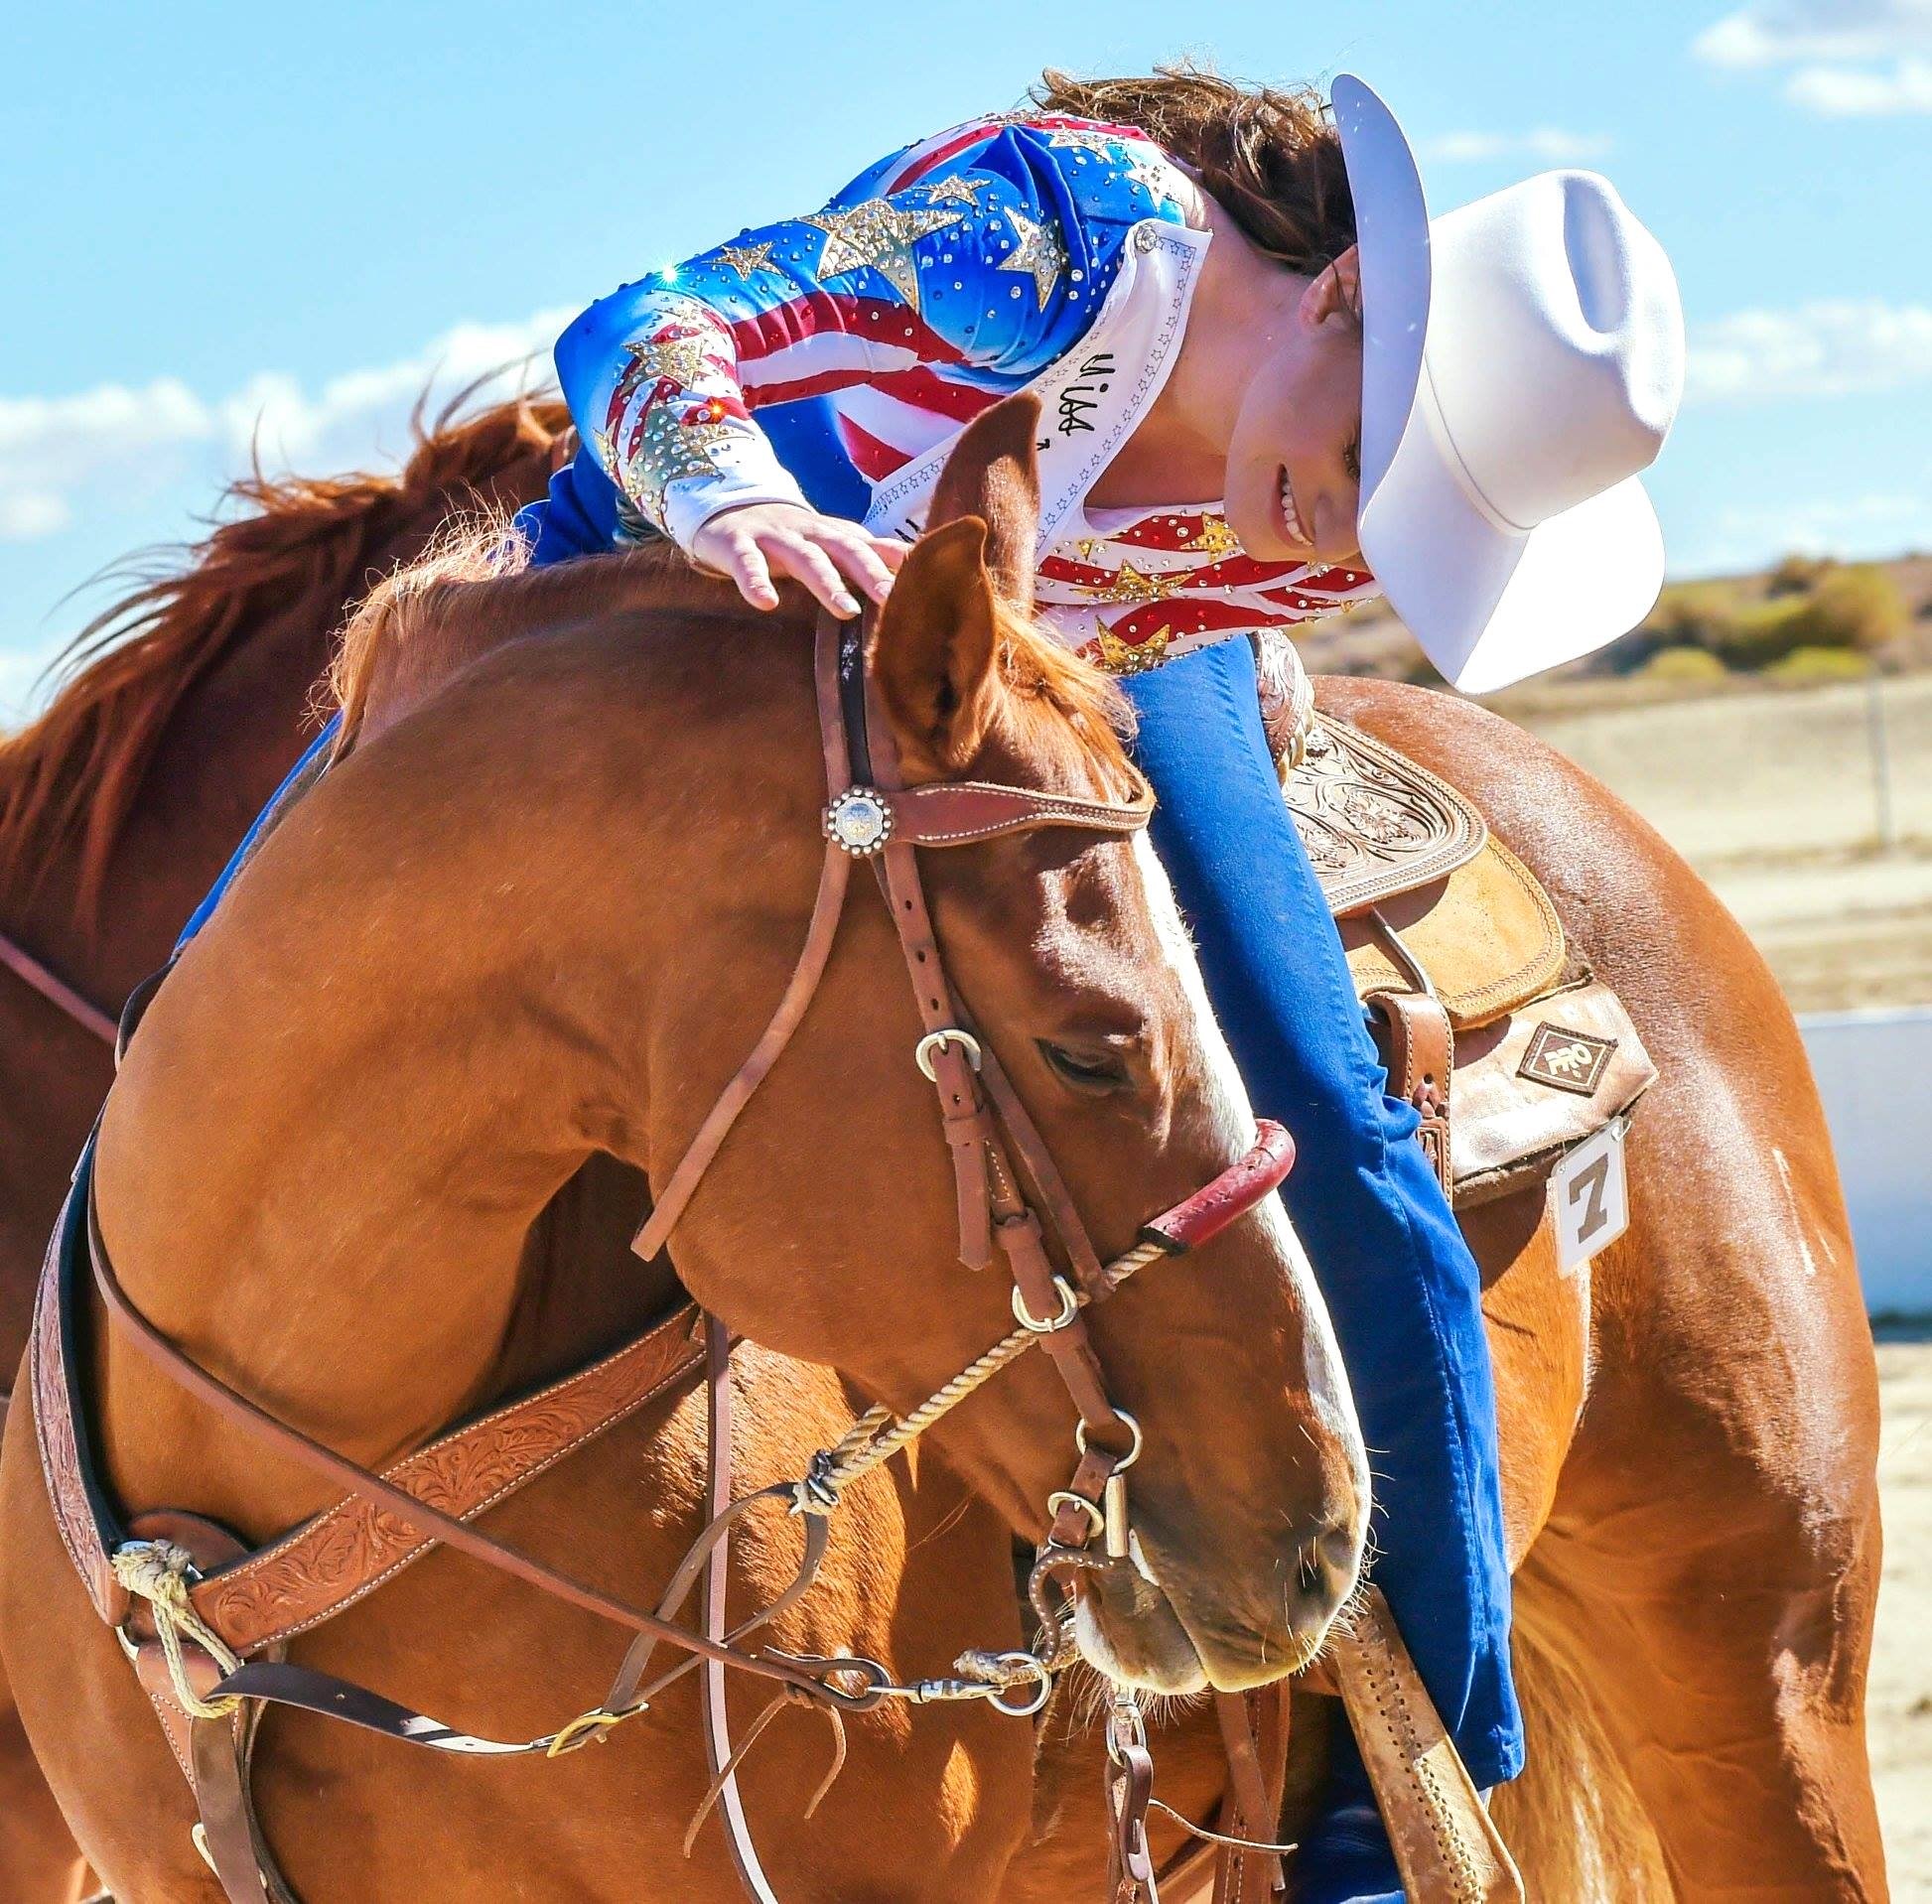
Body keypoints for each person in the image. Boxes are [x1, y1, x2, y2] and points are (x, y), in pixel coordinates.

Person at [209, 65, 1689, 1902]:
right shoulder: (1063, 235)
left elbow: (1148, 639)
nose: (1349, 543)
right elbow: (643, 331)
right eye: (1382, 464)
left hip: (1025, 694)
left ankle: (1400, 1801)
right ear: (1336, 296)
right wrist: (737, 496)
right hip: (648, 611)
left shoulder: (1276, 497)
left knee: (1324, 1111)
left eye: (1413, 525)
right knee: (218, 987)